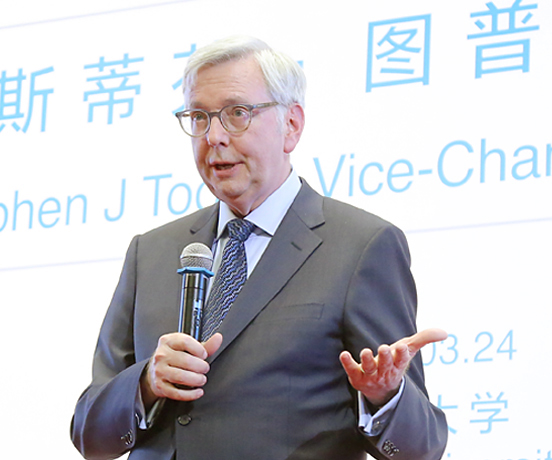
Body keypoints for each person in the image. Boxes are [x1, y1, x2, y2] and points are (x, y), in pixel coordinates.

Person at [70, 36, 449, 460]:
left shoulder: (361, 246)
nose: (214, 136)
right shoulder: (152, 251)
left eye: (237, 114)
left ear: (292, 125)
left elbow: (422, 448)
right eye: (198, 117)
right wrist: (144, 385)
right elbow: (89, 434)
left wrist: (386, 397)